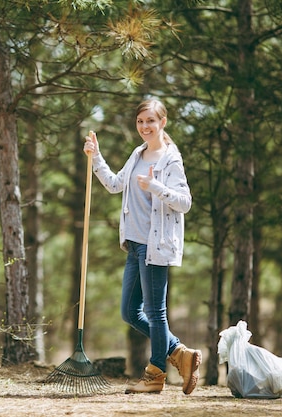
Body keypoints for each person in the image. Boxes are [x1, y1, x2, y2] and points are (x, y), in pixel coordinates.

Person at [83, 98, 201, 395]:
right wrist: (96, 157)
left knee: (155, 311)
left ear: (163, 122)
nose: (145, 126)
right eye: (140, 121)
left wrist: (156, 188)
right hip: (134, 244)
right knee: (129, 312)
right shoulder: (138, 154)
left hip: (155, 245)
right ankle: (179, 353)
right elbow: (114, 184)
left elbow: (184, 202)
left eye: (150, 120)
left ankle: (155, 375)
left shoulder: (170, 159)